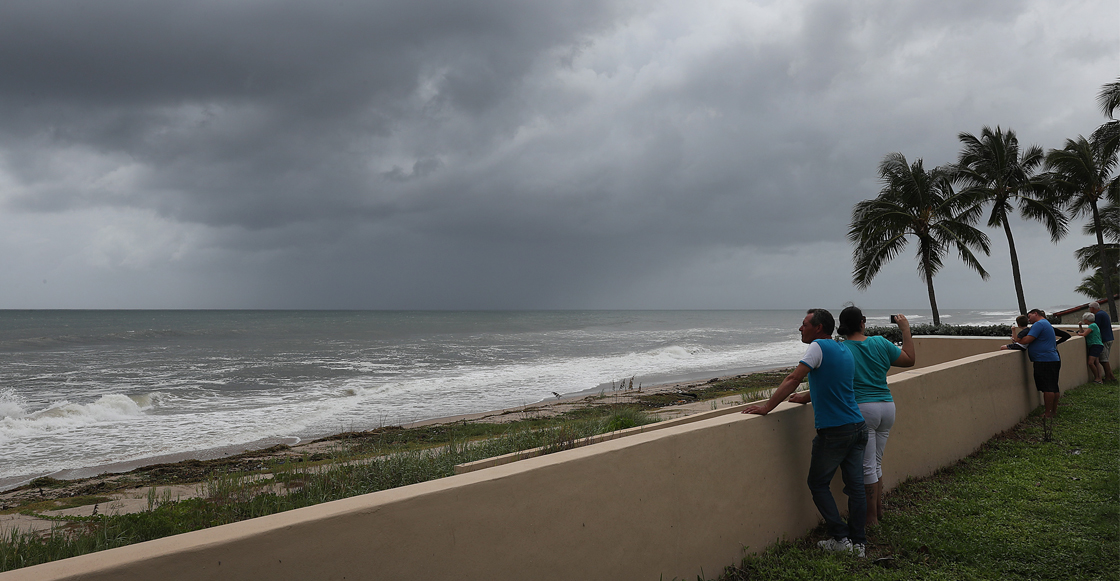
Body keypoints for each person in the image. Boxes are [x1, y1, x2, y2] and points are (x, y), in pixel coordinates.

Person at [742, 309, 867, 557]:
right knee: (856, 487)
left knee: (817, 483)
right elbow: (836, 384)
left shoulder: (817, 347)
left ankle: (840, 539)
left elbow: (793, 379)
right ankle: (859, 544)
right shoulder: (843, 349)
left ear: (818, 328)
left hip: (835, 430)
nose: (800, 328)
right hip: (857, 426)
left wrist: (767, 407)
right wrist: (807, 397)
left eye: (804, 324)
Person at [835, 307, 915, 527]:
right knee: (876, 463)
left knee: (867, 466)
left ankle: (870, 518)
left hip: (863, 409)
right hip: (887, 406)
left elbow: (833, 383)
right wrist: (905, 329)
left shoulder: (842, 349)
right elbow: (909, 359)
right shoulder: (880, 342)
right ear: (863, 322)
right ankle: (877, 510)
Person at [1013, 309, 1061, 418]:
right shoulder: (1046, 323)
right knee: (1054, 387)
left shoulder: (1039, 324)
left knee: (1048, 388)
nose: (1028, 319)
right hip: (1052, 359)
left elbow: (1028, 339)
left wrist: (1017, 341)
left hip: (1044, 360)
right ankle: (1053, 411)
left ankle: (1047, 413)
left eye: (1029, 316)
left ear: (1036, 314)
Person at [1088, 301, 1116, 381]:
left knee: (1103, 360)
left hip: (1104, 339)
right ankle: (1111, 376)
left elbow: (1096, 327)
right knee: (1104, 358)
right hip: (1109, 338)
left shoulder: (1098, 315)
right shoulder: (1103, 313)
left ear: (1092, 308)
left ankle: (1108, 377)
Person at [1077, 312, 1104, 384]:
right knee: (1096, 362)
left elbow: (1084, 334)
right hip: (1097, 345)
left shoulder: (1092, 326)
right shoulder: (1094, 325)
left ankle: (1097, 378)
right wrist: (1080, 326)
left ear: (1087, 320)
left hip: (1095, 346)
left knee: (1090, 363)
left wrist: (1079, 334)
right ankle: (1100, 379)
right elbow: (1083, 332)